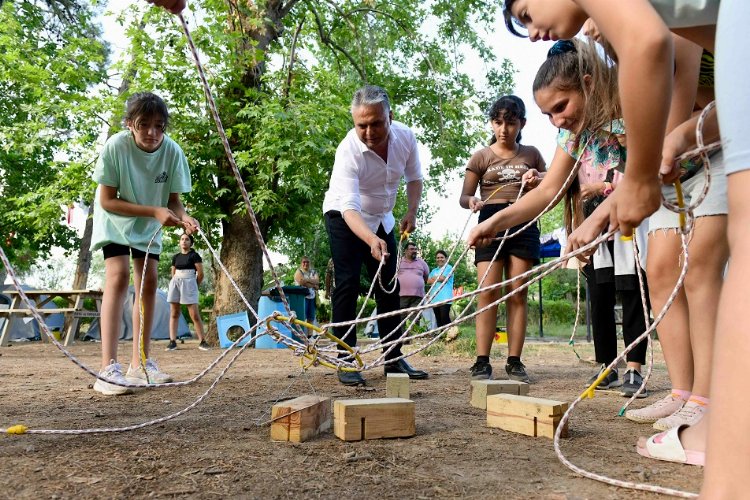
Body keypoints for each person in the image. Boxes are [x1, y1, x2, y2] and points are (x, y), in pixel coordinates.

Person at [500, 0, 748, 491]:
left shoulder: (623, 39)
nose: (531, 32)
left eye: (525, 11)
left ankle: (714, 421)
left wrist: (646, 166)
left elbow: (655, 45)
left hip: (703, 156)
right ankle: (698, 406)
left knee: (711, 267)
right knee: (671, 270)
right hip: (697, 136)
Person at [530, 40, 652, 398]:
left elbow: (642, 167)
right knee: (599, 290)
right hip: (590, 219)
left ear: (588, 83)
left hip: (628, 214)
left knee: (633, 286)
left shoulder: (627, 111)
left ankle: (634, 367)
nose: (558, 120)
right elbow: (551, 187)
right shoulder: (573, 135)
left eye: (561, 107)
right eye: (548, 115)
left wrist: (605, 185)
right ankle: (606, 365)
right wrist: (496, 222)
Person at [91, 92, 198, 395]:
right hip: (115, 218)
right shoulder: (116, 147)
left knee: (149, 281)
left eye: (159, 126)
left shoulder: (173, 152)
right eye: (144, 125)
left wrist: (186, 217)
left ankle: (140, 363)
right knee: (119, 276)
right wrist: (153, 210)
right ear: (130, 124)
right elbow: (107, 200)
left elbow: (174, 202)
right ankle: (108, 369)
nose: (152, 133)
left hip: (149, 223)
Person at [323, 85, 429, 386]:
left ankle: (393, 360)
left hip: (383, 216)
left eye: (376, 123)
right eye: (361, 125)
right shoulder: (348, 151)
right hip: (345, 218)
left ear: (390, 117)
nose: (369, 131)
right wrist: (370, 239)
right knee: (347, 282)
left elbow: (414, 177)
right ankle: (345, 359)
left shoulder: (406, 137)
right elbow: (350, 207)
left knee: (388, 286)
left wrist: (411, 211)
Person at [460, 95, 546, 382]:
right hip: (490, 224)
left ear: (522, 123)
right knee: (487, 291)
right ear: (492, 123)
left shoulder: (531, 153)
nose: (504, 129)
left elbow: (551, 179)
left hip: (524, 220)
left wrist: (538, 176)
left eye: (510, 123)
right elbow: (464, 196)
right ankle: (482, 360)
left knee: (518, 291)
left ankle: (514, 360)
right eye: (498, 122)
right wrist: (472, 201)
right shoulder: (481, 156)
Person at [166, 232, 208, 351]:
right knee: (174, 313)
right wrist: (175, 283)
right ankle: (172, 341)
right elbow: (173, 272)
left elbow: (200, 274)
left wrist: (195, 285)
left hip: (189, 282)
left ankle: (202, 341)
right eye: (182, 239)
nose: (184, 241)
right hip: (176, 283)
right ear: (179, 242)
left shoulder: (194, 256)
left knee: (194, 314)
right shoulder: (176, 257)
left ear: (191, 243)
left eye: (187, 239)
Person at [397, 242, 430, 322]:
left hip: (417, 297)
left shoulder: (422, 263)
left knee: (414, 320)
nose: (414, 251)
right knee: (401, 319)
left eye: (415, 249)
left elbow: (426, 277)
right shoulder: (398, 262)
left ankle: (413, 335)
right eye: (412, 249)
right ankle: (402, 335)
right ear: (405, 251)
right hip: (401, 296)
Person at [427, 250, 454, 328]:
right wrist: (438, 277)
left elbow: (443, 278)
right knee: (438, 319)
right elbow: (428, 281)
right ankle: (442, 337)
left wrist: (434, 278)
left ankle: (451, 335)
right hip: (434, 298)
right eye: (438, 258)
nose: (440, 259)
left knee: (444, 318)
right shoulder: (434, 270)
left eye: (442, 257)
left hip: (445, 298)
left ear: (446, 258)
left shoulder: (449, 267)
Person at [293, 256, 319, 330]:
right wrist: (313, 283)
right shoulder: (298, 272)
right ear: (301, 263)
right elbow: (302, 282)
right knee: (301, 317)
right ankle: (301, 335)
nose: (306, 263)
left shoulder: (313, 272)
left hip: (312, 297)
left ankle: (309, 336)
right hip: (301, 298)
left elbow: (317, 282)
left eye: (307, 262)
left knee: (310, 317)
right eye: (304, 262)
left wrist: (306, 279)